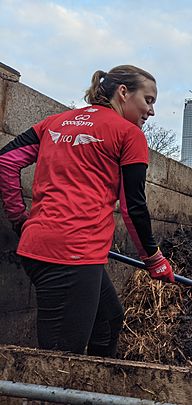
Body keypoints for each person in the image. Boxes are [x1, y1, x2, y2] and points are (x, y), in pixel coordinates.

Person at [0, 65, 175, 358]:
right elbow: (133, 206)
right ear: (123, 92)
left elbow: (5, 162)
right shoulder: (128, 134)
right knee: (59, 360)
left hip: (42, 247)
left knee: (108, 320)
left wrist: (20, 220)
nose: (152, 111)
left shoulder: (54, 123)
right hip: (72, 254)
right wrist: (153, 258)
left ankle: (93, 388)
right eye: (148, 100)